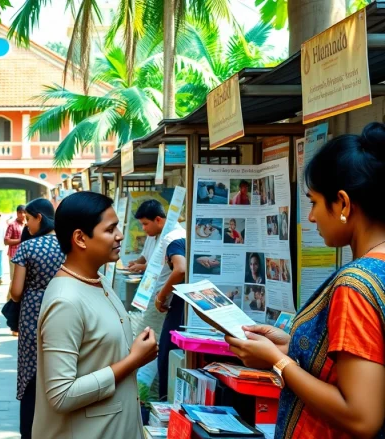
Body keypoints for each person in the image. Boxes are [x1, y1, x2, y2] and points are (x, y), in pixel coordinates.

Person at [226, 123, 385, 439]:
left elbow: (361, 417)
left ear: (343, 203)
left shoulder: (356, 285)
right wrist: (294, 344)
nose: (311, 217)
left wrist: (278, 362)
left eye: (314, 202)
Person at [33, 191, 158, 439]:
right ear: (80, 238)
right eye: (110, 229)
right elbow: (61, 394)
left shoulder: (97, 280)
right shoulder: (65, 300)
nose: (120, 236)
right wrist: (133, 360)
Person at [9, 199, 65, 439]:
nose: (27, 224)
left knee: (32, 372)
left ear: (39, 217)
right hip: (63, 311)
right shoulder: (69, 245)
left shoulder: (28, 248)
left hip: (33, 315)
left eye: (29, 219)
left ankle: (30, 432)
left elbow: (16, 292)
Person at [126, 199, 187, 401]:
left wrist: (162, 295)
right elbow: (150, 261)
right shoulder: (158, 237)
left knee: (149, 343)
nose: (143, 229)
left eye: (145, 224)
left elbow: (180, 269)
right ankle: (146, 392)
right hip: (155, 299)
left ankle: (147, 395)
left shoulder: (173, 237)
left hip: (165, 302)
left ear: (158, 219)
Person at [4, 205, 25, 284]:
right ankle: (11, 296)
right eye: (20, 212)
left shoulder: (27, 225)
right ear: (17, 213)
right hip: (14, 255)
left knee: (22, 280)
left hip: (25, 255)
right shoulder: (12, 225)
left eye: (24, 212)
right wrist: (20, 240)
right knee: (14, 279)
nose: (22, 215)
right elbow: (6, 241)